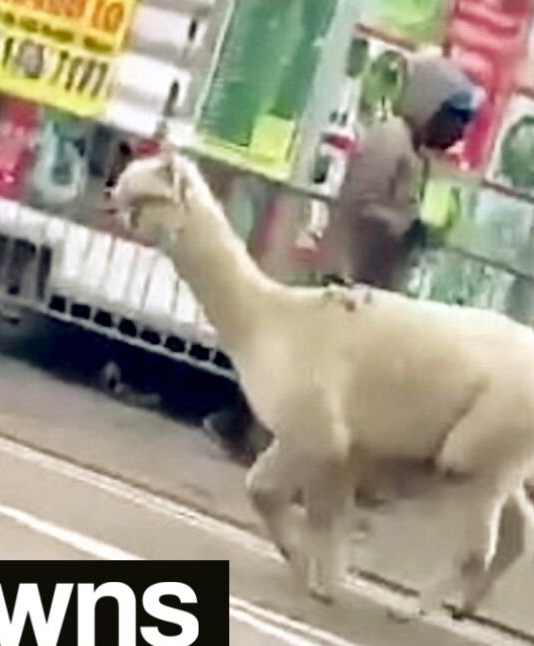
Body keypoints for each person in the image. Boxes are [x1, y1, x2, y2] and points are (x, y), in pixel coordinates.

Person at [205, 53, 480, 461]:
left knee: (318, 376)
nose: (458, 132)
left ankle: (256, 434)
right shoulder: (391, 142)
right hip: (346, 277)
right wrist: (410, 225)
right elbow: (361, 203)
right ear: (429, 104)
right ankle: (250, 430)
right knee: (312, 375)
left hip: (367, 285)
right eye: (454, 119)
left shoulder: (412, 151)